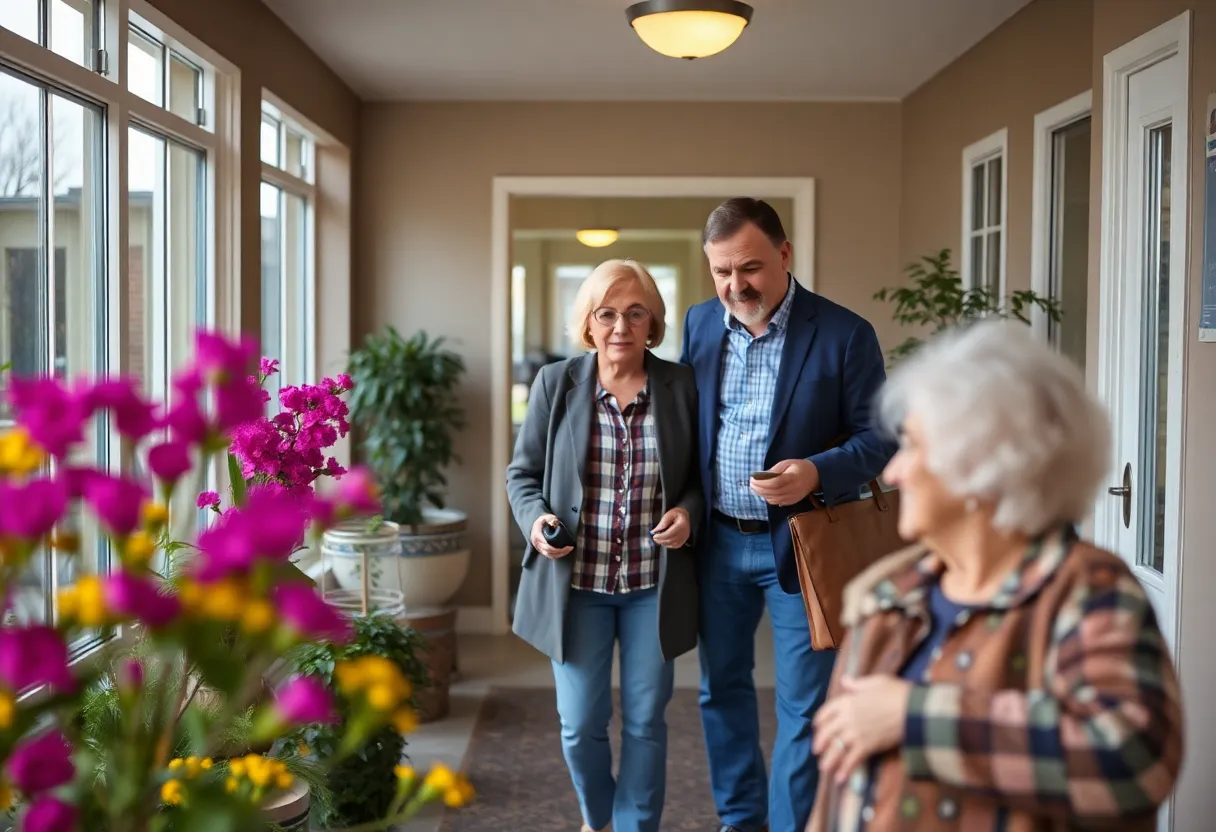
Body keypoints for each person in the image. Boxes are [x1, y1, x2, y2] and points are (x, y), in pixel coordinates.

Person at [808, 320, 1185, 831]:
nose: (893, 472)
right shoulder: (886, 597)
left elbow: (1132, 760)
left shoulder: (1087, 590)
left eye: (914, 446)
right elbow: (838, 796)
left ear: (981, 463)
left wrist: (913, 719)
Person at [680, 198, 896, 832]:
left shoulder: (845, 333)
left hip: (804, 544)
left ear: (784, 255)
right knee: (722, 691)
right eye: (720, 272)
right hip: (717, 542)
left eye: (748, 268)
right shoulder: (697, 325)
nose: (734, 286)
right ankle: (738, 821)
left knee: (804, 707)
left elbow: (880, 438)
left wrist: (817, 472)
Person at [506, 259, 703, 832]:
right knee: (579, 722)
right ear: (589, 323)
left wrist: (688, 514)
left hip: (651, 587)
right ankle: (599, 820)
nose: (621, 325)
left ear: (652, 324)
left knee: (645, 721)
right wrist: (537, 520)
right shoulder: (556, 383)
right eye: (607, 313)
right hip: (577, 589)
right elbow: (521, 476)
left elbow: (696, 479)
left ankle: (635, 827)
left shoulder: (679, 385)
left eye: (635, 313)